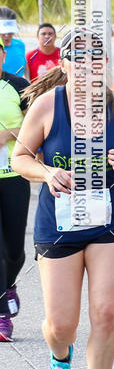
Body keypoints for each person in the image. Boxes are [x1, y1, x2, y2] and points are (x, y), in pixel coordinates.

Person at [11, 29, 114, 369]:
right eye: (78, 57)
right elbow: (20, 158)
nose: (87, 65)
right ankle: (59, 356)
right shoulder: (47, 105)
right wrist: (47, 172)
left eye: (95, 57)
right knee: (61, 325)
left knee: (105, 312)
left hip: (108, 221)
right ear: (65, 64)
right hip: (59, 224)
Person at [0, 40, 30, 341]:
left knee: (14, 250)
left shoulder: (18, 86)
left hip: (13, 175)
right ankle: (2, 316)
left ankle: (9, 284)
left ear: (3, 55)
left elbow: (36, 126)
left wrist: (7, 134)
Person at [0, 7, 27, 78]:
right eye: (3, 32)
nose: (7, 35)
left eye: (10, 31)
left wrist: (27, 79)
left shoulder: (20, 45)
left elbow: (24, 64)